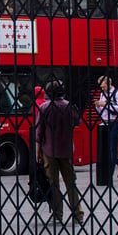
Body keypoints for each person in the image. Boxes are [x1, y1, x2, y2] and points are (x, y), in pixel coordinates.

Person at [34, 80, 84, 224]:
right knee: (70, 182)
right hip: (66, 149)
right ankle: (78, 213)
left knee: (54, 183)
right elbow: (77, 122)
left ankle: (58, 213)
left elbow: (39, 133)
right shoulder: (69, 106)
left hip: (49, 151)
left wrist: (38, 153)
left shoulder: (44, 107)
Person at [94, 75, 118, 178]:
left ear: (108, 83)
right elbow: (102, 111)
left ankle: (109, 176)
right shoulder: (102, 94)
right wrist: (98, 106)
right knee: (106, 149)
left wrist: (105, 105)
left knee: (113, 149)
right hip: (105, 123)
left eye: (103, 86)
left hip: (115, 123)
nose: (101, 88)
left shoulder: (117, 93)